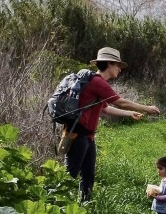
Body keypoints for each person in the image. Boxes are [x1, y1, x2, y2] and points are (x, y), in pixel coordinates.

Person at [64, 47, 160, 201]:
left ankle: (84, 207)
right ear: (109, 64)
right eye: (117, 65)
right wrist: (147, 108)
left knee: (88, 176)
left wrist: (129, 114)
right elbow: (120, 102)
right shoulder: (97, 82)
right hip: (78, 135)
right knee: (69, 176)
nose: (119, 70)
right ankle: (57, 207)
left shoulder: (96, 83)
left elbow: (106, 109)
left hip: (88, 137)